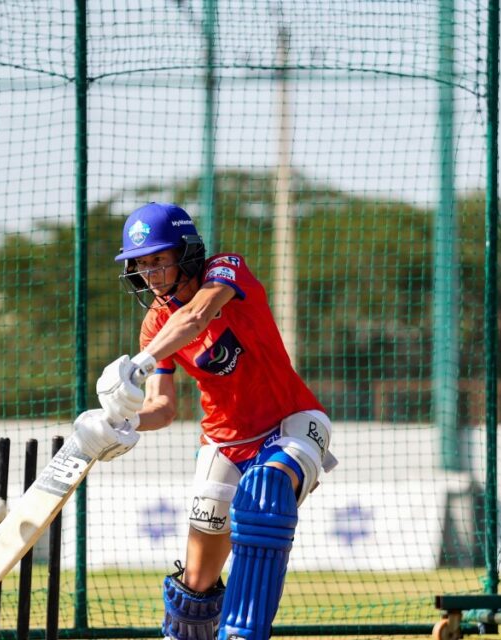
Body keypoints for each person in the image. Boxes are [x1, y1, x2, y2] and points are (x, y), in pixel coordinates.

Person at [71, 202, 336, 640]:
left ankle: (242, 634)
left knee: (264, 492)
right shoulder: (154, 325)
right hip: (223, 443)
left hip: (292, 421)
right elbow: (163, 407)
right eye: (140, 264)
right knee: (196, 584)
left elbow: (196, 317)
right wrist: (124, 422)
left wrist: (141, 361)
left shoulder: (226, 270)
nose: (150, 273)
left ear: (187, 252)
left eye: (159, 259)